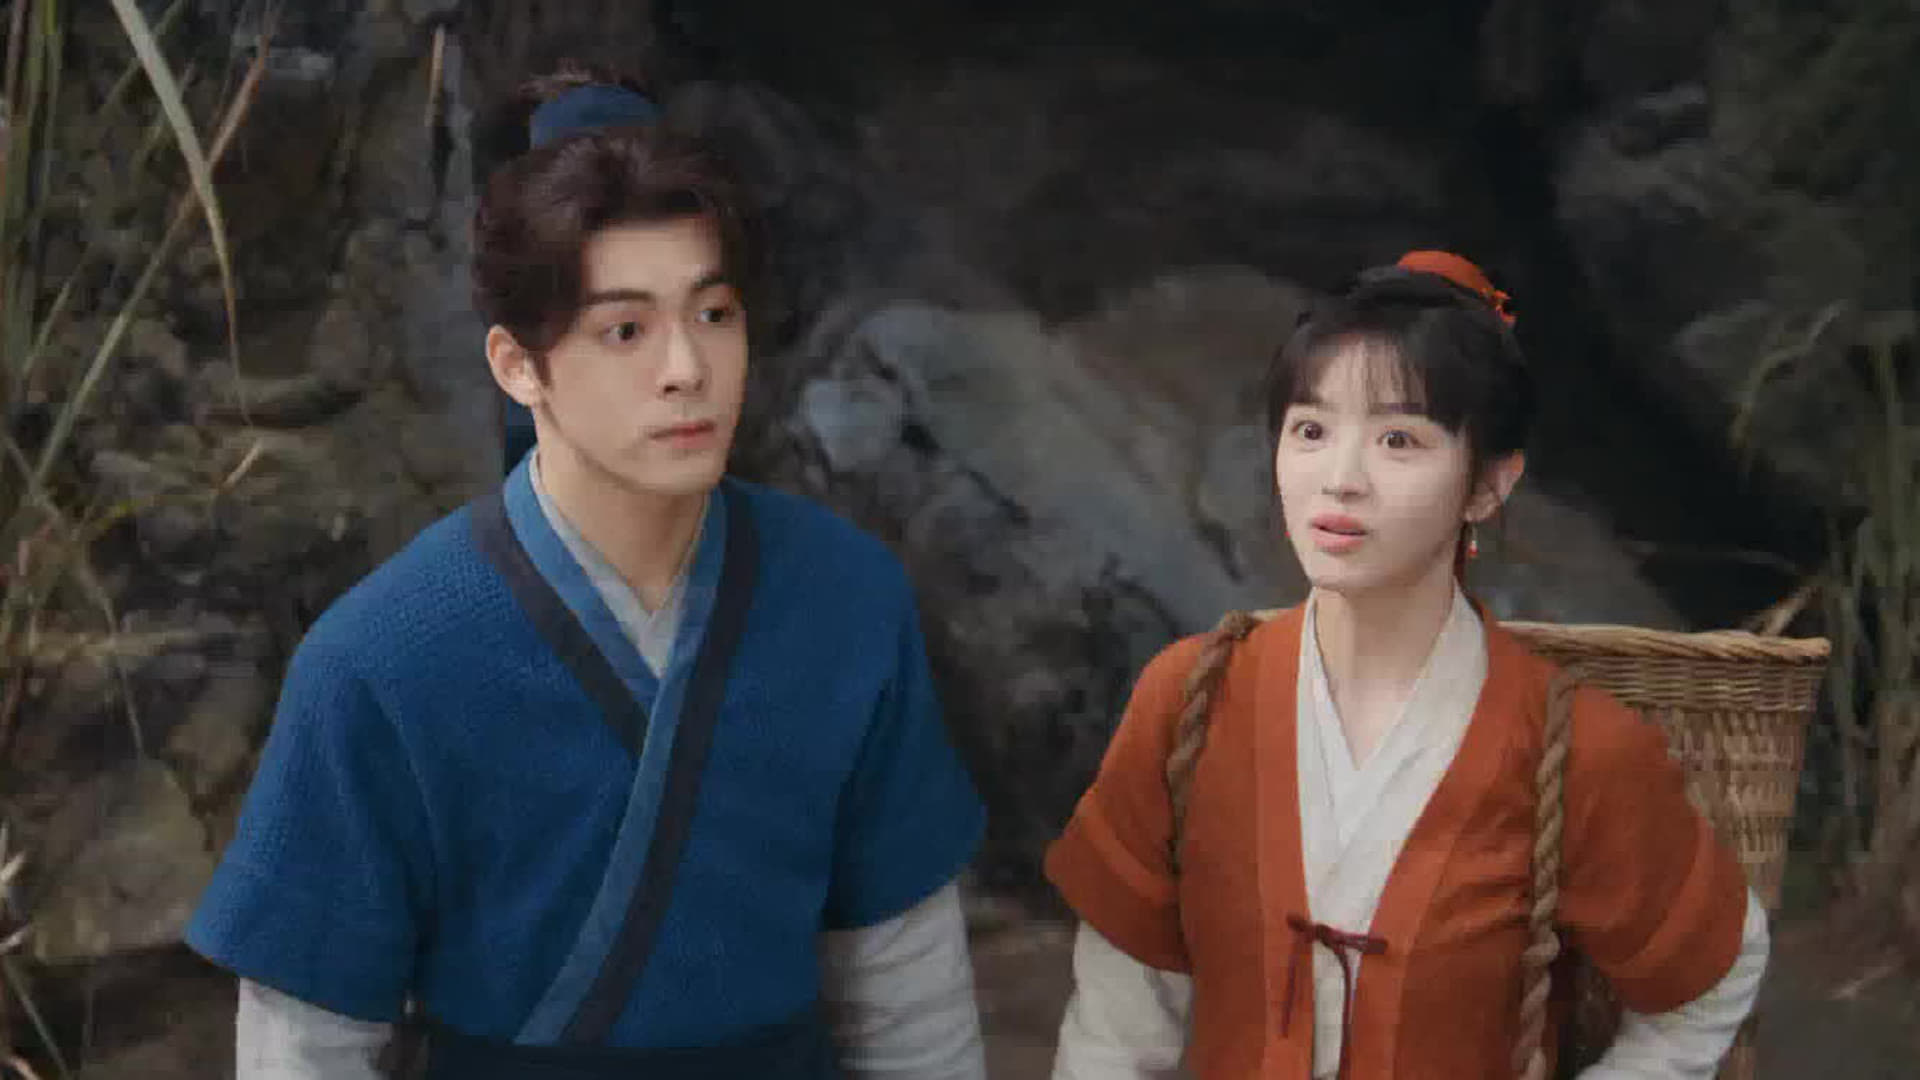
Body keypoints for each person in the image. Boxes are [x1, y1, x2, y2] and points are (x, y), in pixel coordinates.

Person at [185, 68, 989, 1080]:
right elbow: (308, 1048)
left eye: (715, 314)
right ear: (518, 365)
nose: (687, 369)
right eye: (625, 330)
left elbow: (907, 990)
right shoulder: (379, 660)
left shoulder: (847, 599)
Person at [1042, 251, 1769, 1079]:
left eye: (1398, 439)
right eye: (1311, 430)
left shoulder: (1573, 748)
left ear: (1488, 485)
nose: (1340, 480)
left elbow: (1715, 973)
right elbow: (1116, 1024)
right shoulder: (1191, 698)